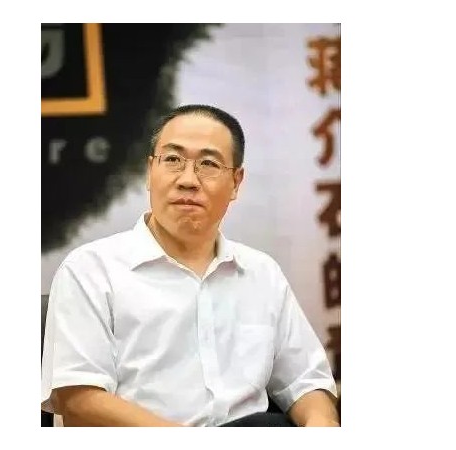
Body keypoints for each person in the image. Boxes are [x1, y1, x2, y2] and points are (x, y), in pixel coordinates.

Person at [41, 104, 339, 427]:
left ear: (236, 182)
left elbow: (306, 382)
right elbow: (80, 399)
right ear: (149, 171)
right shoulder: (90, 270)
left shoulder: (261, 273)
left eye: (208, 164)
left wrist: (321, 426)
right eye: (172, 160)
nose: (187, 180)